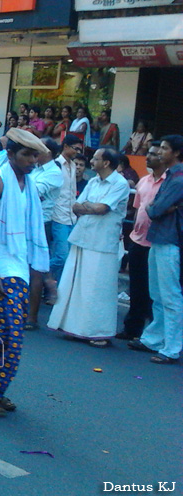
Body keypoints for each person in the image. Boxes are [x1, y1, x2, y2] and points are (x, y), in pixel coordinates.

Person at [0, 128, 50, 416]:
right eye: (26, 154)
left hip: (19, 262)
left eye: (35, 154)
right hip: (0, 264)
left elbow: (31, 228)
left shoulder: (27, 182)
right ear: (11, 154)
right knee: (11, 332)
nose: (32, 160)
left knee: (5, 331)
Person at [48, 147, 130, 347]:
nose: (91, 162)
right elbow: (76, 206)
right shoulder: (93, 181)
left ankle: (98, 332)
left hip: (102, 242)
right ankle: (73, 328)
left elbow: (103, 209)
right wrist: (92, 207)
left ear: (106, 163)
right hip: (83, 237)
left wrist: (90, 207)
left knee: (97, 289)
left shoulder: (120, 184)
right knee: (75, 286)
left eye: (95, 159)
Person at [130, 135, 183, 364]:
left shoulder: (179, 179)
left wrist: (161, 207)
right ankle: (154, 338)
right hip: (158, 238)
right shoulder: (171, 177)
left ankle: (171, 348)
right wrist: (161, 207)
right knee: (158, 295)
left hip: (170, 240)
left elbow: (155, 209)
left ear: (176, 153)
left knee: (169, 296)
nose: (160, 152)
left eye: (164, 148)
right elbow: (158, 208)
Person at [117, 142, 166, 340]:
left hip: (156, 243)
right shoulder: (143, 181)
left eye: (153, 154)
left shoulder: (169, 183)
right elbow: (138, 209)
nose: (148, 157)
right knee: (136, 287)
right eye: (149, 154)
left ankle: (153, 333)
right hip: (137, 240)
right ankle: (132, 329)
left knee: (155, 291)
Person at [26, 137, 63, 327]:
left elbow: (33, 192)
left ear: (47, 151)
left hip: (41, 224)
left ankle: (32, 317)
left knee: (36, 271)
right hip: (25, 221)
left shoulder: (54, 173)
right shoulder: (35, 169)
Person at [49, 134, 84, 288]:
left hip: (71, 217)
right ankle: (38, 275)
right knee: (61, 256)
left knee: (68, 258)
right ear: (66, 147)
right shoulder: (56, 165)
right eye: (75, 148)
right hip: (58, 216)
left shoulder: (72, 166)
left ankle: (57, 290)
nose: (78, 151)